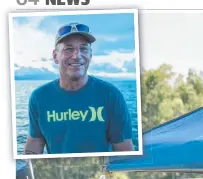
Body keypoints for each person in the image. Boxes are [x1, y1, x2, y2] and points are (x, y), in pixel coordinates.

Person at [24, 23, 134, 155]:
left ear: (90, 55)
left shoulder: (111, 95)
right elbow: (34, 144)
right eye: (68, 49)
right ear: (55, 56)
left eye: (83, 49)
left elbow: (124, 151)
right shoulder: (39, 97)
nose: (77, 55)